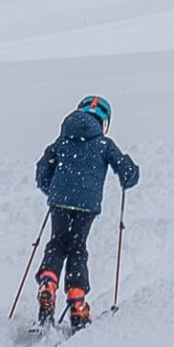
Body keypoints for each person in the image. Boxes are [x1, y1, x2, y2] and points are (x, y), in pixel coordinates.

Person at [34, 95, 139, 329]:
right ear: (104, 122)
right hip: (87, 205)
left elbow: (42, 171)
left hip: (60, 202)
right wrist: (131, 172)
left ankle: (48, 284)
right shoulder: (104, 144)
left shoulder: (62, 141)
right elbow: (127, 173)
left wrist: (52, 191)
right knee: (77, 248)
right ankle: (77, 303)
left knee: (57, 243)